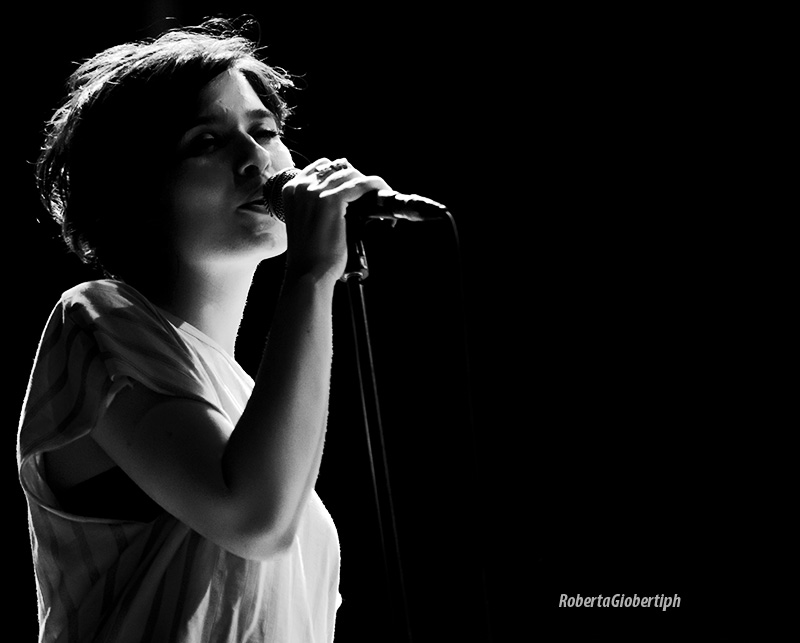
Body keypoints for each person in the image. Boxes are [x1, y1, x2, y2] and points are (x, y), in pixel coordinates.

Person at [17, 17, 391, 642]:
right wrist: (310, 276)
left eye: (265, 132)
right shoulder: (97, 319)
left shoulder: (249, 398)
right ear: (134, 190)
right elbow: (253, 517)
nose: (256, 160)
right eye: (207, 141)